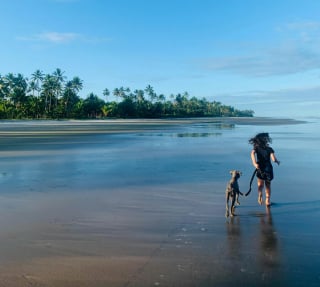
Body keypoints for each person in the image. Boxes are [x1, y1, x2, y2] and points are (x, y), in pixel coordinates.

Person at [249, 133, 280, 206]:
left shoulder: (256, 148)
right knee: (268, 185)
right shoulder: (270, 149)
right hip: (268, 169)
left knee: (260, 184)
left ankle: (260, 195)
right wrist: (277, 161)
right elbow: (273, 159)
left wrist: (254, 163)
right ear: (266, 141)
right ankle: (267, 201)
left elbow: (252, 153)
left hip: (260, 168)